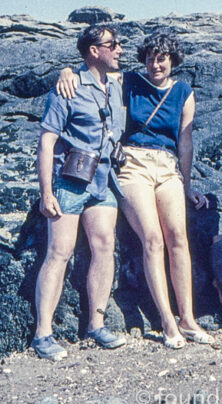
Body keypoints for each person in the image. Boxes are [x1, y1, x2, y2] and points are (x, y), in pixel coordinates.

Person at [57, 32, 212, 349]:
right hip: (133, 165)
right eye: (151, 58)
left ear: (173, 61)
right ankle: (168, 322)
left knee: (178, 238)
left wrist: (188, 185)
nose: (155, 64)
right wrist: (66, 72)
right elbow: (91, 72)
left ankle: (188, 319)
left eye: (162, 58)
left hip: (167, 167)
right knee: (152, 239)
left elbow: (185, 142)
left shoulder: (184, 92)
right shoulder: (127, 81)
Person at [33, 24, 127, 361]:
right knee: (59, 252)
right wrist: (47, 192)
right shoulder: (67, 88)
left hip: (103, 182)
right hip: (71, 182)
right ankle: (43, 334)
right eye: (112, 44)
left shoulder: (115, 86)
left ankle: (96, 325)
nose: (119, 49)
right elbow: (47, 141)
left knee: (104, 247)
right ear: (93, 51)